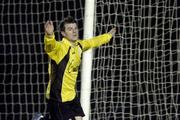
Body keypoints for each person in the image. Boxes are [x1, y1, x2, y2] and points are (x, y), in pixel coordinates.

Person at [44, 16, 116, 120]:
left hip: (72, 96)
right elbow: (50, 46)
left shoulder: (79, 45)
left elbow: (93, 42)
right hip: (58, 98)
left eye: (75, 28)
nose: (74, 31)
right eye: (69, 29)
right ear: (63, 33)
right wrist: (50, 35)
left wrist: (108, 36)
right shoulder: (60, 48)